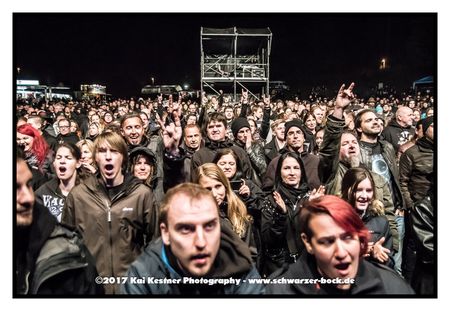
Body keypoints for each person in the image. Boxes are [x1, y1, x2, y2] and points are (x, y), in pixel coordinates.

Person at [121, 183, 264, 295]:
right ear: (165, 233)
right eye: (186, 229)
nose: (201, 243)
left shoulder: (240, 268)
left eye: (209, 226)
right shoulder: (144, 275)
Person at [61, 131, 159, 294]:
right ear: (95, 158)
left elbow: (156, 241)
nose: (108, 157)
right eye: (102, 151)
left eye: (114, 151)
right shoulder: (78, 196)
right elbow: (66, 245)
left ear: (123, 158)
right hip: (91, 287)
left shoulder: (142, 195)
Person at [266, 195, 414, 295]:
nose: (341, 253)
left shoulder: (391, 287)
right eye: (328, 242)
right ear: (308, 243)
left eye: (348, 238)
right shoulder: (282, 290)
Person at [16, 150, 103, 295]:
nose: (28, 198)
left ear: (78, 162)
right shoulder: (43, 191)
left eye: (29, 184)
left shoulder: (69, 251)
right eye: (15, 188)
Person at [261, 151, 325, 276]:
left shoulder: (312, 196)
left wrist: (310, 208)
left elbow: (319, 233)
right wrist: (281, 214)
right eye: (286, 168)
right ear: (279, 172)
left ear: (302, 172)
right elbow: (269, 239)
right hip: (280, 267)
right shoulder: (271, 199)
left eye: (296, 168)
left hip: (309, 263)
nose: (292, 172)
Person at [194, 163, 259, 263]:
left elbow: (251, 254)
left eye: (218, 186)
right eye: (207, 189)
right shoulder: (192, 219)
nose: (214, 194)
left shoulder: (238, 211)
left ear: (225, 186)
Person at [341, 167, 394, 268]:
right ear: (346, 190)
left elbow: (390, 265)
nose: (364, 196)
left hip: (372, 280)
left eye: (369, 190)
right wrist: (356, 253)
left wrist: (380, 256)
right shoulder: (336, 220)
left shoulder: (381, 222)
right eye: (358, 190)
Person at [190, 112, 254, 183]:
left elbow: (249, 179)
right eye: (211, 127)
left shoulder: (239, 152)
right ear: (206, 131)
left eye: (218, 126)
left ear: (226, 129)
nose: (215, 130)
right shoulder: (199, 156)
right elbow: (195, 185)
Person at [35, 143, 82, 222]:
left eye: (68, 158)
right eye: (59, 158)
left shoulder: (87, 193)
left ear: (78, 163)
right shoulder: (44, 192)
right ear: (54, 163)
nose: (62, 161)